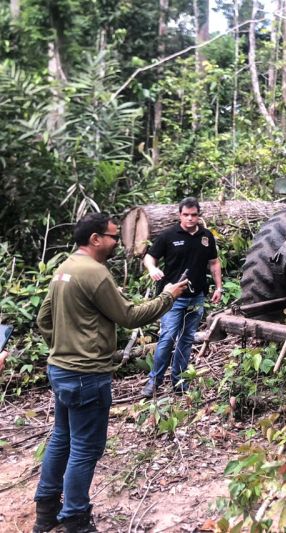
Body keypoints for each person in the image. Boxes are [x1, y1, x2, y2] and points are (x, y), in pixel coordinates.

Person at [34, 212, 187, 533]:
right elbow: (129, 316)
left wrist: (64, 344)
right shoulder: (95, 273)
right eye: (114, 237)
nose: (118, 242)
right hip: (86, 375)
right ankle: (75, 519)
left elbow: (43, 320)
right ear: (95, 239)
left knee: (61, 438)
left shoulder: (64, 268)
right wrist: (167, 297)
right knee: (85, 448)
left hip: (60, 369)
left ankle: (46, 512)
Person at [140, 197, 222, 397]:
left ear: (199, 215)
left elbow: (214, 262)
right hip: (172, 297)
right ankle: (154, 382)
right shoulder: (168, 235)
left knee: (186, 340)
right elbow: (150, 257)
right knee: (167, 339)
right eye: (186, 215)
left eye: (194, 215)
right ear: (180, 215)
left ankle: (180, 382)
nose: (190, 219)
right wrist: (152, 269)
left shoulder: (206, 236)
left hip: (197, 297)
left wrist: (219, 287)